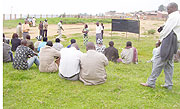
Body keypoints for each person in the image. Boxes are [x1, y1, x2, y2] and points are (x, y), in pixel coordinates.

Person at [141, 2, 180, 90]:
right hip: (176, 41)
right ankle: (168, 84)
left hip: (169, 41)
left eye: (168, 9)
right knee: (169, 63)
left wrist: (160, 40)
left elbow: (167, 30)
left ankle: (151, 82)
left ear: (173, 8)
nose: (167, 11)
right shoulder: (178, 16)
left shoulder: (174, 16)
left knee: (159, 60)